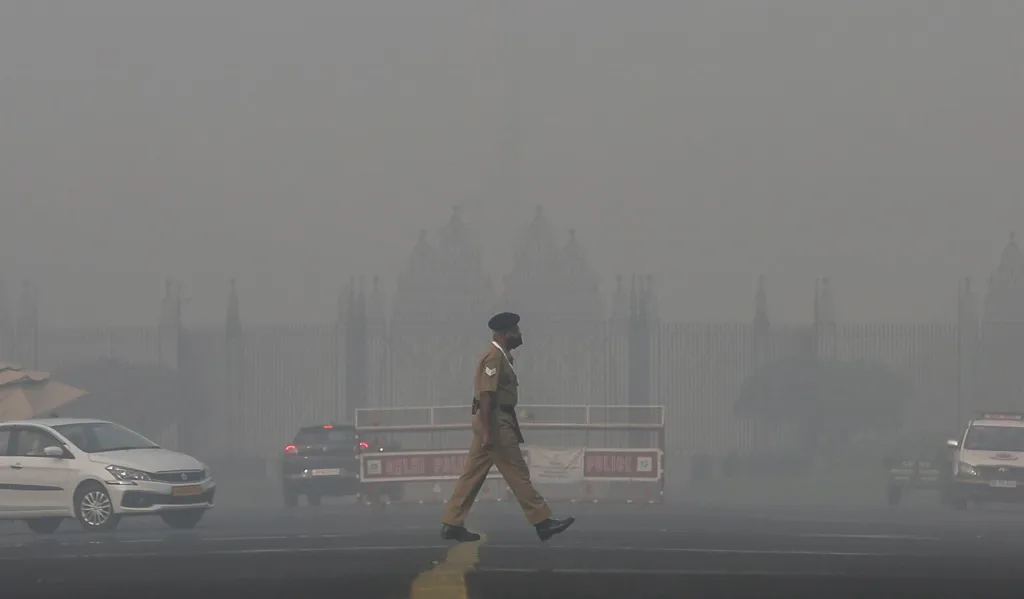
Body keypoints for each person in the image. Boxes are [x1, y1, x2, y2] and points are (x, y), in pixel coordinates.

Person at [440, 312, 575, 542]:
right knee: (516, 471)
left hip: (494, 420)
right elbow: (486, 395)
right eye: (516, 331)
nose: (520, 334)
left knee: (472, 475)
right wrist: (489, 432)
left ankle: (452, 522)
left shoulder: (502, 356)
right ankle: (542, 521)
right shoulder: (494, 357)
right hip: (495, 421)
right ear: (504, 334)